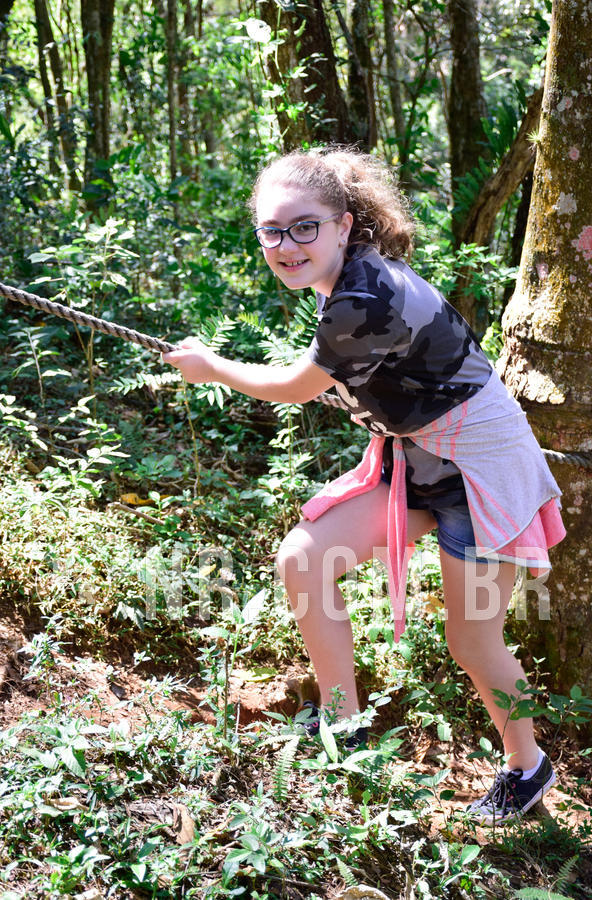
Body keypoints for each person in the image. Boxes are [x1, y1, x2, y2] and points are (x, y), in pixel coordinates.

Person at [163, 148, 566, 824]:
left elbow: (295, 387)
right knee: (304, 558)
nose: (286, 245)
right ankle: (343, 726)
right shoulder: (344, 282)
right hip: (417, 462)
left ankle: (528, 766)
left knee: (474, 642)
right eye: (271, 230)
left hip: (481, 474)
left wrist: (213, 366)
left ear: (345, 226)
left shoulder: (362, 296)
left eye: (304, 227)